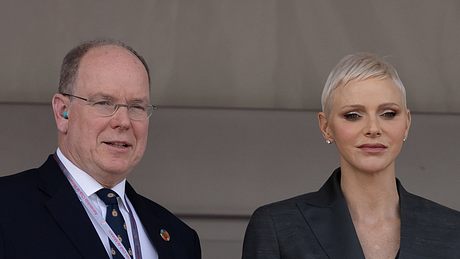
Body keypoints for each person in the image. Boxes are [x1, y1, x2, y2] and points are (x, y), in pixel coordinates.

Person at [242, 53, 460, 259]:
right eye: (353, 115)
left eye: (389, 114)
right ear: (326, 126)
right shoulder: (277, 226)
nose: (373, 128)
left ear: (407, 124)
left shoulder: (452, 229)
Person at [0, 40, 201, 259]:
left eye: (136, 107)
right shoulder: (7, 208)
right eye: (104, 103)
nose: (123, 121)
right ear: (63, 113)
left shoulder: (180, 238)